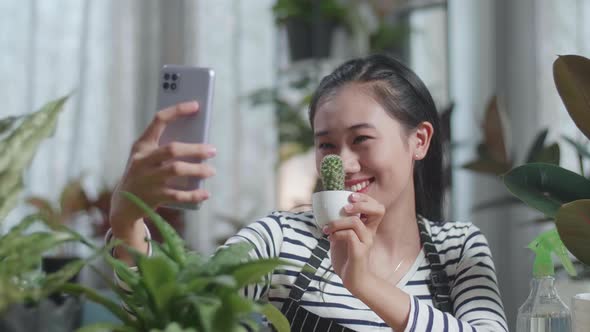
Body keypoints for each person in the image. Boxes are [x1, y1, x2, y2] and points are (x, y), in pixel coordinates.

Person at [107, 54, 508, 331]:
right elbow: (183, 308)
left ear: (418, 141)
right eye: (327, 145)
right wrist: (127, 222)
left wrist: (363, 283)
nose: (344, 163)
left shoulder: (458, 248)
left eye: (362, 139)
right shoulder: (281, 239)